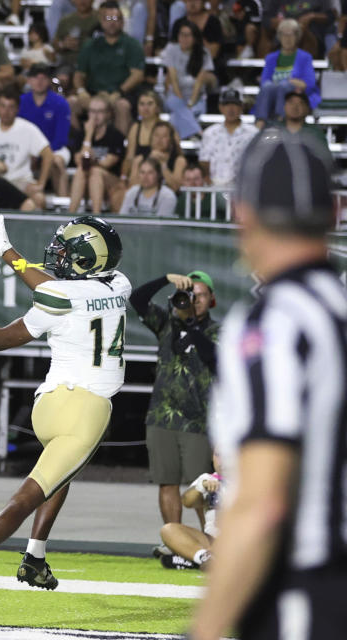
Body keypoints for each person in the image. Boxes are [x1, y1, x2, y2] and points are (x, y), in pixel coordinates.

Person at [0, 212, 128, 613]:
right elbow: (52, 287)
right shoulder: (119, 284)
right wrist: (5, 251)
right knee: (25, 498)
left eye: (66, 251)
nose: (57, 255)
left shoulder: (57, 300)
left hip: (47, 406)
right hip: (87, 411)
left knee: (59, 474)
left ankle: (35, 557)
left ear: (85, 261)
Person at [189, 130, 345, 640]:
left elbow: (263, 500)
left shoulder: (273, 324)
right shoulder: (336, 311)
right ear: (335, 212)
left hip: (306, 593)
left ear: (243, 214)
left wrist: (206, 630)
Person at [130, 269, 219, 554]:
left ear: (212, 300)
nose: (194, 300)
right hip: (161, 415)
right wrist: (165, 278)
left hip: (199, 420)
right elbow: (138, 299)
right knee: (166, 482)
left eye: (201, 295)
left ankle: (212, 543)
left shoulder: (219, 330)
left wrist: (192, 326)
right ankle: (175, 544)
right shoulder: (167, 324)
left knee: (203, 488)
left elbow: (214, 357)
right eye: (189, 294)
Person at [0, 88, 53, 208]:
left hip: (20, 180)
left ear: (17, 109)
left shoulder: (27, 128)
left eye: (11, 107)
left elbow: (48, 154)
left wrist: (41, 183)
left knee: (39, 199)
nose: (6, 111)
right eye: (2, 106)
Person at [72, 1, 145, 135]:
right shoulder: (90, 45)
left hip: (120, 94)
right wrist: (82, 91)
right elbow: (79, 74)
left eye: (116, 19)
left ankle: (117, 149)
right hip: (93, 93)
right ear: (101, 21)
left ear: (122, 22)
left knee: (122, 106)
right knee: (71, 103)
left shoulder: (132, 45)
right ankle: (76, 145)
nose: (112, 23)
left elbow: (137, 75)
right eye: (108, 19)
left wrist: (119, 92)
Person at [159, 454, 222, 570]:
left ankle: (192, 561)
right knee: (168, 530)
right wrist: (201, 487)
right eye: (218, 456)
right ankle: (206, 558)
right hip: (211, 541)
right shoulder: (207, 478)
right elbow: (187, 502)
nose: (221, 461)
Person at [252, 19, 320, 124]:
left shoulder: (305, 57)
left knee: (284, 85)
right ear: (279, 37)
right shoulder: (270, 58)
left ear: (297, 37)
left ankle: (281, 121)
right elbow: (264, 82)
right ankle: (260, 121)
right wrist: (292, 81)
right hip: (272, 95)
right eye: (284, 35)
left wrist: (290, 82)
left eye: (291, 35)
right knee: (268, 87)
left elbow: (309, 84)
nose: (287, 38)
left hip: (297, 96)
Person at [18, 63, 71, 197]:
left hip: (55, 148)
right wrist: (31, 152)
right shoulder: (20, 102)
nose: (39, 81)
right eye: (35, 77)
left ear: (49, 81)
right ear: (29, 80)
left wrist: (42, 153)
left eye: (43, 78)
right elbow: (17, 132)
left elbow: (61, 138)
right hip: (27, 149)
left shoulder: (60, 103)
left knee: (57, 161)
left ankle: (63, 202)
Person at [67, 93, 125, 213]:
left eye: (100, 111)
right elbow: (79, 161)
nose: (95, 116)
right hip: (87, 179)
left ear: (108, 114)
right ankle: (71, 213)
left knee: (95, 172)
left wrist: (90, 160)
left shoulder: (115, 135)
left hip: (111, 181)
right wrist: (88, 135)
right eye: (92, 111)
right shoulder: (82, 134)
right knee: (80, 171)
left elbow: (107, 164)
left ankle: (96, 215)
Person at [162, 20, 215, 140]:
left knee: (179, 115)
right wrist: (182, 101)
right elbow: (173, 80)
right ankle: (197, 132)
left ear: (195, 38)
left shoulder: (204, 53)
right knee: (176, 105)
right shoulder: (171, 50)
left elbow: (199, 82)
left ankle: (176, 138)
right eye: (181, 34)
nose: (184, 38)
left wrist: (190, 103)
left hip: (196, 97)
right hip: (175, 96)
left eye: (188, 35)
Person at [199, 87, 258, 186]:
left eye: (234, 104)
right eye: (226, 104)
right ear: (220, 107)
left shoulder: (253, 133)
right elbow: (204, 163)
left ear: (241, 107)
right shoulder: (209, 133)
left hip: (243, 189)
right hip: (215, 189)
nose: (230, 108)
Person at [129, 121, 186, 192]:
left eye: (164, 136)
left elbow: (176, 187)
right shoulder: (139, 159)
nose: (159, 139)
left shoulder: (179, 161)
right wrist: (149, 160)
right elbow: (132, 187)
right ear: (151, 138)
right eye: (156, 135)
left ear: (170, 140)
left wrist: (163, 165)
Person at [120, 90, 163, 183]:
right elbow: (129, 157)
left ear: (157, 107)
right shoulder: (135, 128)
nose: (145, 108)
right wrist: (123, 178)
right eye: (142, 104)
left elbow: (172, 155)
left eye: (150, 104)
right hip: (139, 173)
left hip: (160, 172)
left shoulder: (165, 127)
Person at [52, 0, 98, 85]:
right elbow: (55, 45)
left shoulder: (100, 18)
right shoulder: (65, 20)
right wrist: (63, 44)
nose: (82, 2)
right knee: (60, 80)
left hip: (94, 63)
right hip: (69, 63)